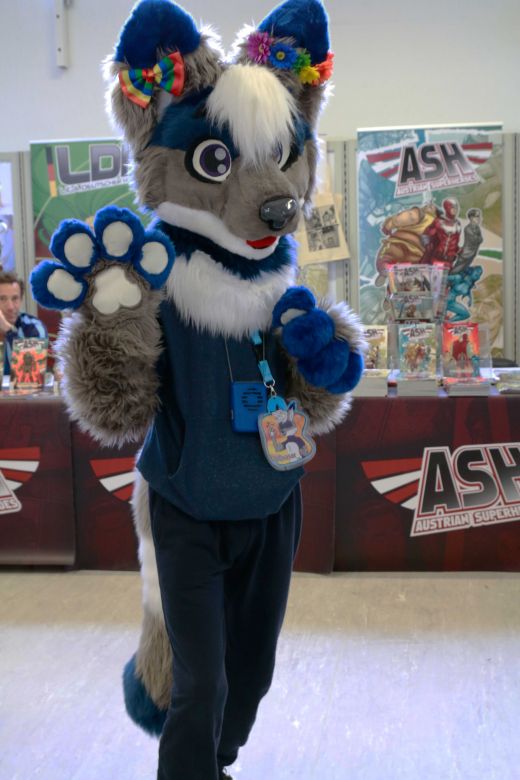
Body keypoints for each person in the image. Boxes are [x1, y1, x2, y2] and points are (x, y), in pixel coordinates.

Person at [0, 270, 47, 376]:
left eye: (15, 298)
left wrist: (8, 330)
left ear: (21, 300)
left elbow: (31, 377)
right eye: (2, 299)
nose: (10, 307)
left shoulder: (34, 328)